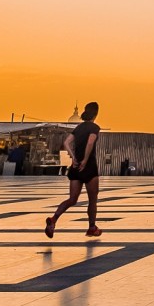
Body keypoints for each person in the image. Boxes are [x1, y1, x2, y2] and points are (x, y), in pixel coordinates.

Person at [45, 102, 103, 239]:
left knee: (72, 199)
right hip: (89, 167)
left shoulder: (79, 127)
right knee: (92, 200)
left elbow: (66, 143)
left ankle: (53, 219)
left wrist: (74, 157)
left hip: (75, 167)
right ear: (96, 113)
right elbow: (90, 142)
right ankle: (91, 228)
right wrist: (85, 160)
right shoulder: (94, 127)